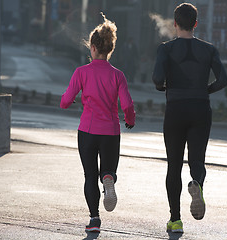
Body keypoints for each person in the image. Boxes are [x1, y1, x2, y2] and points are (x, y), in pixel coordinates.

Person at [152, 3, 227, 233]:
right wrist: (206, 90)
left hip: (175, 108)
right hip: (200, 108)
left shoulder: (166, 49)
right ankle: (198, 185)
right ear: (195, 24)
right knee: (197, 160)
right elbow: (223, 80)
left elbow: (156, 78)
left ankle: (175, 220)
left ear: (175, 23)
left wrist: (162, 86)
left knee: (173, 166)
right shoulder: (209, 50)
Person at [60, 13, 135, 233]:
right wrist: (129, 120)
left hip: (87, 131)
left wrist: (70, 100)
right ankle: (109, 178)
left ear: (92, 47)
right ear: (109, 49)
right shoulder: (118, 75)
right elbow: (127, 105)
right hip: (111, 131)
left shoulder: (81, 72)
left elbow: (65, 101)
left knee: (89, 176)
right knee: (107, 171)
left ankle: (94, 219)